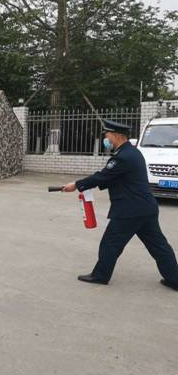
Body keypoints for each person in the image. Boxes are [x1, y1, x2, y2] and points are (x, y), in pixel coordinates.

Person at [62, 120, 178, 291]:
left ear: (116, 136)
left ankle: (100, 275)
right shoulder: (133, 152)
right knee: (159, 246)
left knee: (110, 243)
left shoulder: (122, 157)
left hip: (130, 210)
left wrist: (76, 185)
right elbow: (114, 178)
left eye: (107, 135)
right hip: (146, 208)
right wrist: (88, 185)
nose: (106, 139)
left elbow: (103, 176)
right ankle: (174, 279)